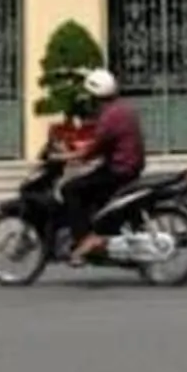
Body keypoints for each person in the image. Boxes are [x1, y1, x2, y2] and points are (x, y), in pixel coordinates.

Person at [62, 68, 145, 262]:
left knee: (70, 189)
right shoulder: (125, 109)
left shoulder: (109, 117)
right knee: (91, 186)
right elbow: (105, 141)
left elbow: (95, 147)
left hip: (119, 171)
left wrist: (72, 155)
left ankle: (86, 239)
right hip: (130, 167)